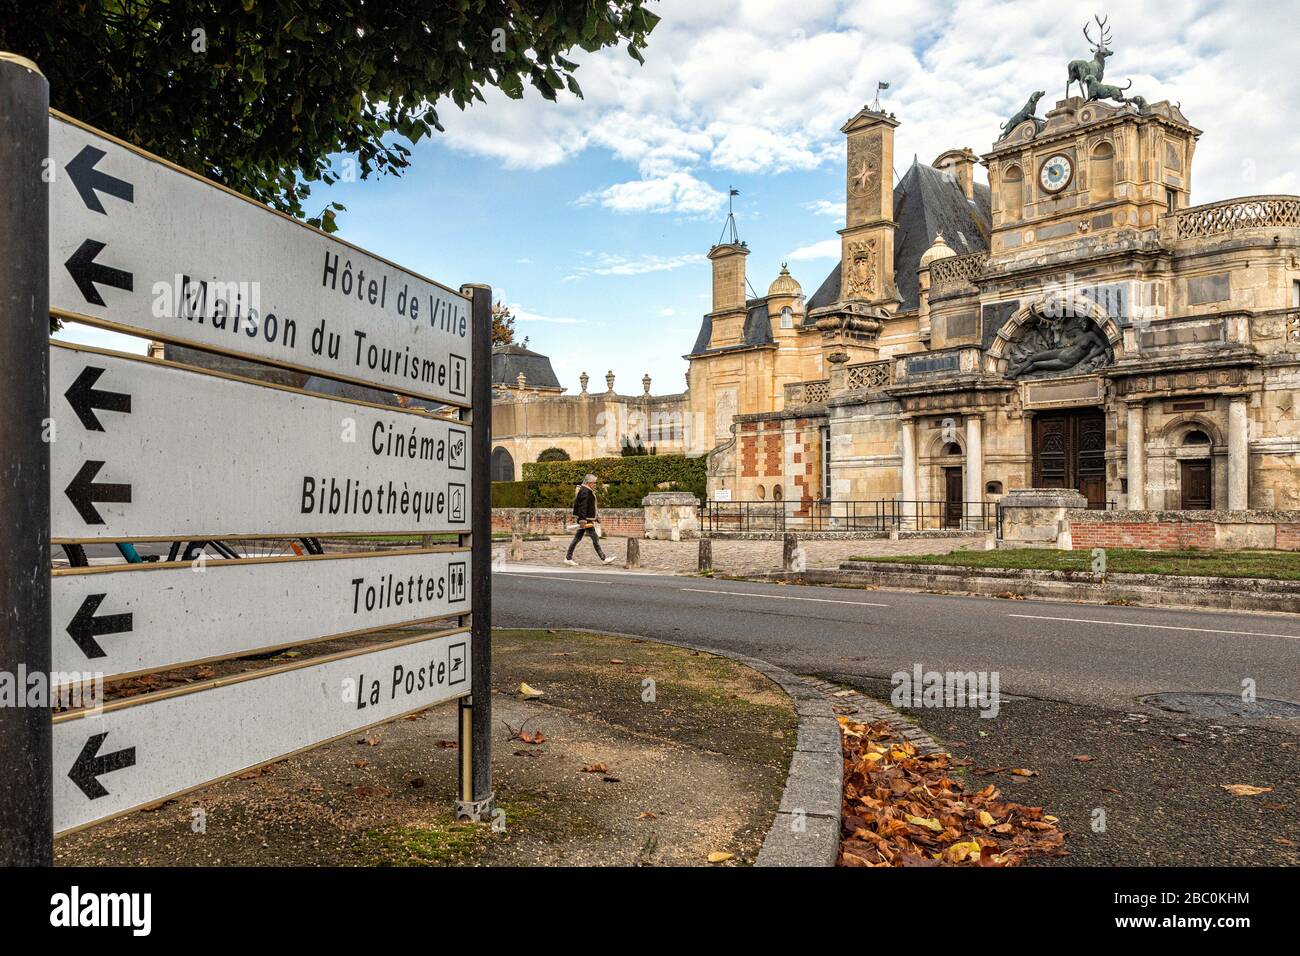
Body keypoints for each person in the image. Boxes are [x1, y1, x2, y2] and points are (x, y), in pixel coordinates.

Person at [565, 474, 617, 566]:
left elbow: (589, 507)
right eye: (594, 483)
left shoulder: (585, 490)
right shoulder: (586, 491)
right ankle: (603, 558)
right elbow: (583, 507)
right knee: (595, 538)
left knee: (577, 538)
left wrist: (595, 517)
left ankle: (568, 558)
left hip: (585, 518)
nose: (595, 484)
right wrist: (583, 520)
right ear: (589, 483)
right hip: (585, 520)